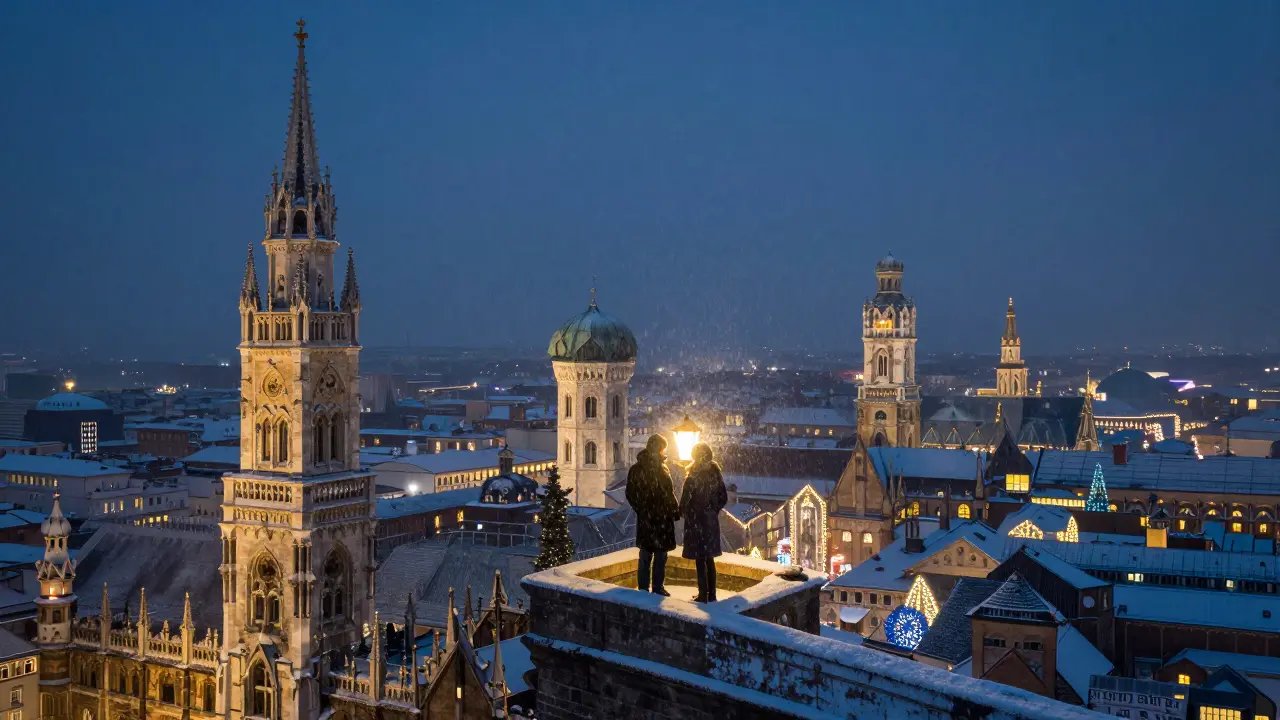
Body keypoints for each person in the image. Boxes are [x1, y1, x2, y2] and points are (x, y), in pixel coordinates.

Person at [625, 435, 679, 596]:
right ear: (659, 449)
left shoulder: (638, 468)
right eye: (663, 448)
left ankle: (646, 588)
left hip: (650, 518)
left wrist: (642, 509)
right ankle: (656, 587)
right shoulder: (659, 468)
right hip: (658, 517)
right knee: (657, 554)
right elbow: (668, 494)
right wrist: (647, 509)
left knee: (648, 554)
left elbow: (631, 493)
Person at [679, 443, 728, 603]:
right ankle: (711, 594)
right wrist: (712, 510)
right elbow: (723, 498)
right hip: (710, 522)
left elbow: (685, 500)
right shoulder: (715, 474)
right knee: (709, 558)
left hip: (696, 521)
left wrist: (685, 512)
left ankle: (703, 594)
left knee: (701, 558)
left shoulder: (693, 475)